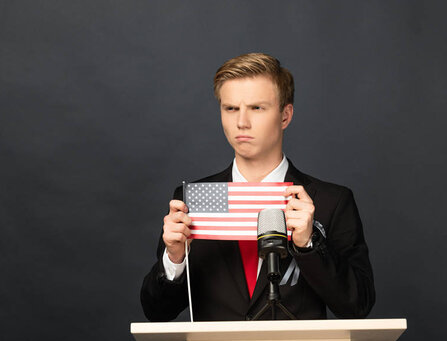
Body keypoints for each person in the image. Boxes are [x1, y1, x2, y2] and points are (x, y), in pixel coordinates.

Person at [141, 52, 375, 322]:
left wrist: (309, 244)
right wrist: (175, 258)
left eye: (257, 108)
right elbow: (157, 312)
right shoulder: (195, 200)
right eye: (231, 108)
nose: (242, 122)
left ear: (285, 116)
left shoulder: (330, 202)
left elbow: (358, 305)